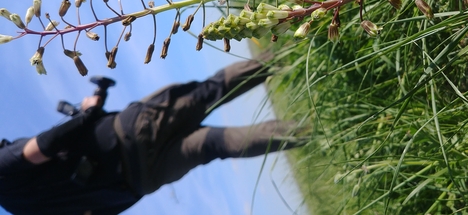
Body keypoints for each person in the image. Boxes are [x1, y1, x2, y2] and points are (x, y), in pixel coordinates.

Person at [0, 57, 307, 215]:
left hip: (140, 181)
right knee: (209, 92)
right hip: (131, 133)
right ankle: (288, 51)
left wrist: (132, 193)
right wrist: (90, 113)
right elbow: (44, 146)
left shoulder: (23, 210)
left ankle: (310, 132)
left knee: (212, 145)